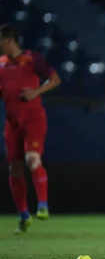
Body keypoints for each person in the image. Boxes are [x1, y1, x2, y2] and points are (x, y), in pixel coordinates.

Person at [0, 23, 62, 234]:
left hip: (33, 118)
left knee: (32, 159)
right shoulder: (1, 64)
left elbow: (55, 79)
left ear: (9, 40)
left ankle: (43, 205)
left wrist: (36, 92)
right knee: (14, 168)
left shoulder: (32, 59)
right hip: (12, 122)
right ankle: (24, 215)